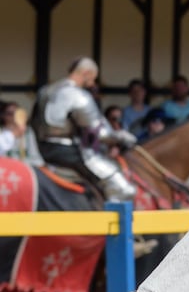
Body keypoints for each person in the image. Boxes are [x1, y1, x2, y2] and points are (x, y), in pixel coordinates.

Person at [29, 57, 137, 202]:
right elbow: (100, 134)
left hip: (41, 148)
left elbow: (33, 121)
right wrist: (122, 137)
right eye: (92, 78)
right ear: (86, 73)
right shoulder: (78, 95)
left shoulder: (45, 91)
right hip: (69, 152)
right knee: (123, 189)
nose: (92, 83)